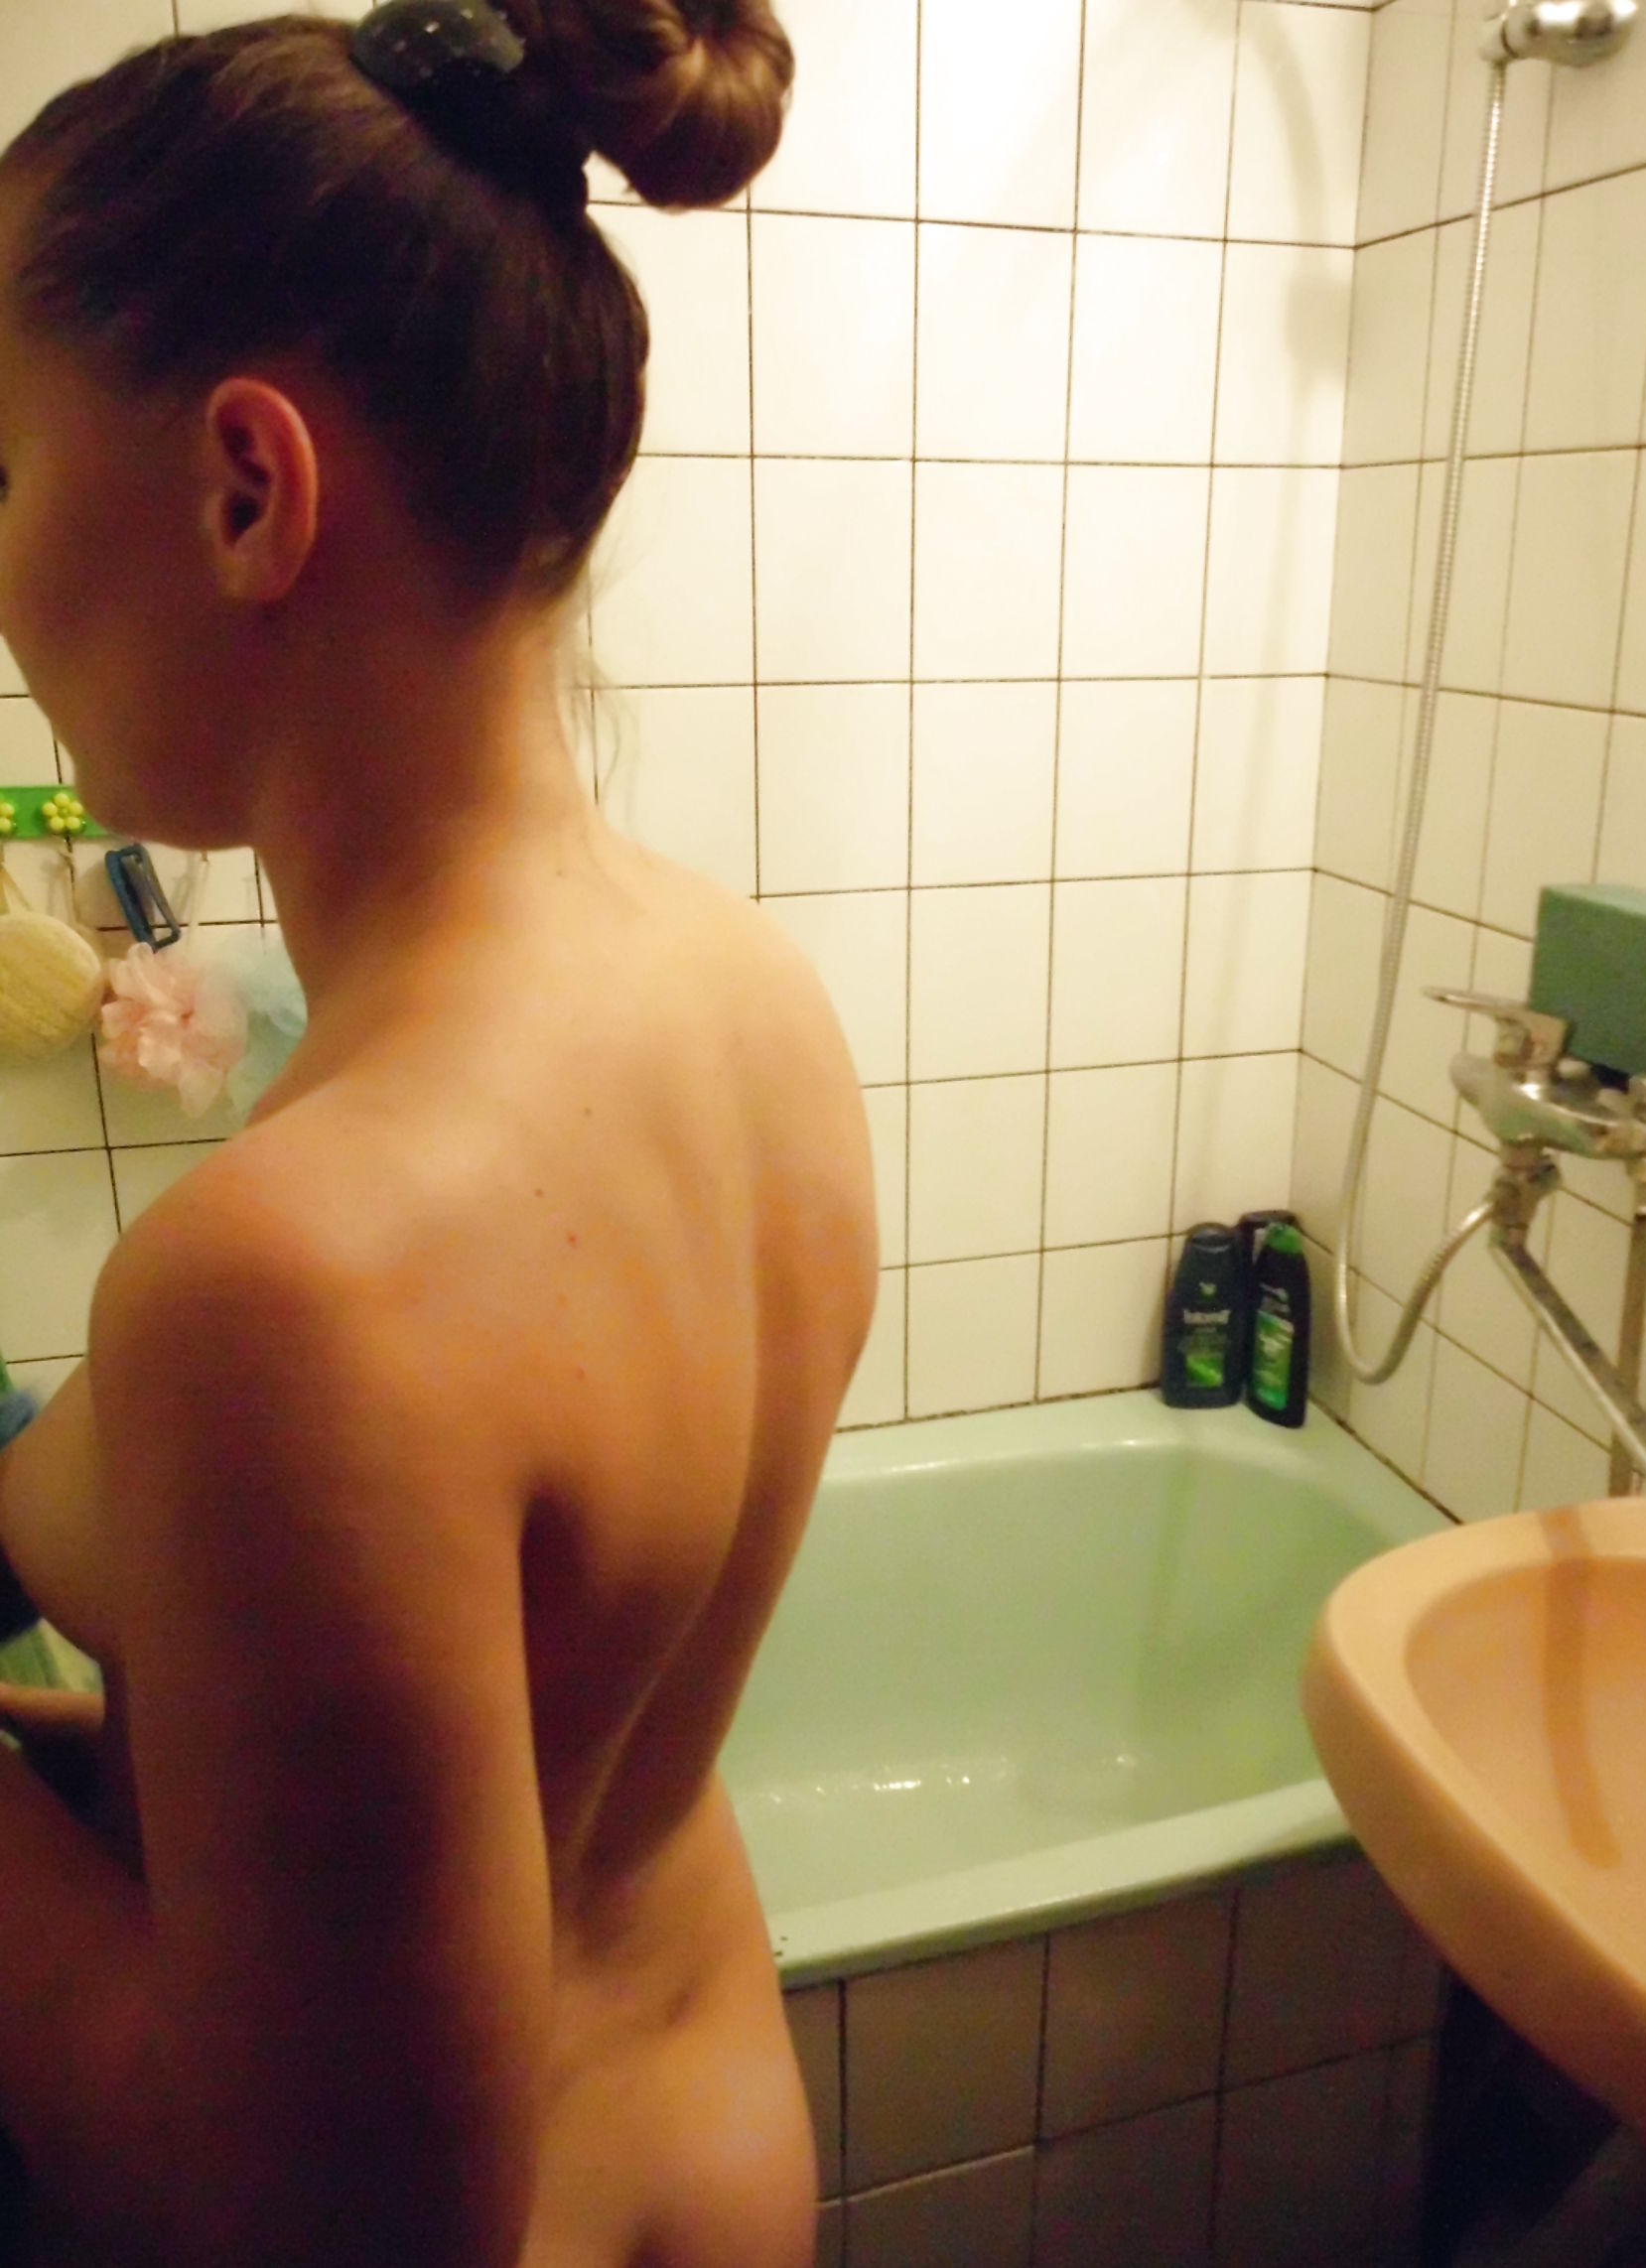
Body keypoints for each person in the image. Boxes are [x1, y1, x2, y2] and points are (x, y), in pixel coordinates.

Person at [0, 2, 878, 2262]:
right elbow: (518, 1779)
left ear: (245, 489)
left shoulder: (290, 1287)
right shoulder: (756, 1010)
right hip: (714, 2148)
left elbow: (298, 2213)